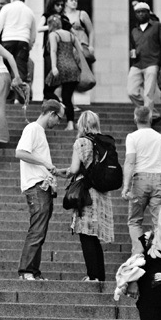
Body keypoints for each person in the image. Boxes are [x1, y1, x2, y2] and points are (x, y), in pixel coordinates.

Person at [61, 111, 114, 282]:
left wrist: (62, 172)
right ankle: (99, 276)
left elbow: (75, 169)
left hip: (86, 193)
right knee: (94, 236)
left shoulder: (82, 142)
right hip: (102, 192)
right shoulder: (104, 142)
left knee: (85, 234)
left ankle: (93, 276)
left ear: (81, 124)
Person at [16, 99, 63, 280]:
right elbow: (20, 152)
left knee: (40, 230)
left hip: (42, 185)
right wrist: (44, 162)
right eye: (58, 118)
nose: (58, 122)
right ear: (51, 113)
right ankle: (27, 270)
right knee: (37, 230)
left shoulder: (38, 131)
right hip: (36, 187)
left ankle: (33, 271)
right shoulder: (33, 129)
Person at [121, 106, 161, 255]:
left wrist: (126, 187)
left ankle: (138, 252)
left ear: (135, 118)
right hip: (160, 180)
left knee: (135, 220)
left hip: (140, 182)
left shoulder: (132, 137)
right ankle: (157, 252)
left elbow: (130, 162)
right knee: (159, 222)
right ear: (150, 118)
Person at [128, 2, 161, 123]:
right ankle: (153, 113)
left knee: (148, 94)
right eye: (138, 12)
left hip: (152, 63)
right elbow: (133, 47)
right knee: (131, 92)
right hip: (137, 64)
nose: (141, 14)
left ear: (148, 12)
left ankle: (147, 120)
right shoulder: (134, 31)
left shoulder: (157, 26)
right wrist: (132, 54)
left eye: (143, 11)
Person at [46, 14, 83, 131]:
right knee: (67, 96)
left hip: (60, 67)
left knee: (47, 91)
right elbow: (80, 50)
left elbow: (53, 50)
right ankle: (70, 124)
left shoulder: (53, 34)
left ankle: (60, 104)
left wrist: (53, 67)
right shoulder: (71, 35)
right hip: (73, 68)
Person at [37, 0, 72, 100]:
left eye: (62, 5)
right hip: (49, 50)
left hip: (62, 51)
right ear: (52, 5)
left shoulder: (64, 18)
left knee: (60, 79)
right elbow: (39, 28)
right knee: (49, 76)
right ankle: (49, 98)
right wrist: (53, 26)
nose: (60, 7)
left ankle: (58, 99)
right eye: (58, 5)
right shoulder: (47, 15)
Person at [64, 0, 95, 65]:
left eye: (75, 0)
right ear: (66, 3)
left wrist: (91, 46)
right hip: (69, 46)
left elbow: (91, 31)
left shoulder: (82, 14)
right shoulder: (63, 16)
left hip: (82, 44)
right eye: (71, 0)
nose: (74, 2)